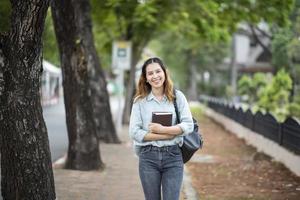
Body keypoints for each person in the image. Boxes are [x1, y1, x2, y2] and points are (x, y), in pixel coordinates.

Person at [129, 57, 194, 200]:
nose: (155, 76)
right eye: (150, 73)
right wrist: (168, 135)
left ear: (164, 72)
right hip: (148, 157)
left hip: (173, 157)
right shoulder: (140, 101)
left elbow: (188, 125)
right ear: (146, 78)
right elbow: (134, 132)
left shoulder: (178, 97)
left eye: (158, 71)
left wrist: (162, 129)